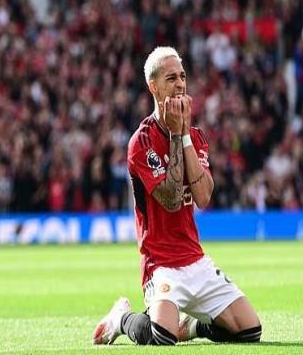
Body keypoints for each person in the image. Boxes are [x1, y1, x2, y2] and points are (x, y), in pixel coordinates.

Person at [92, 47, 262, 346]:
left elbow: (204, 196)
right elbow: (171, 200)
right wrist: (174, 134)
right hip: (161, 264)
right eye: (171, 78)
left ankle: (191, 327)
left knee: (249, 331)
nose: (181, 84)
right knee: (162, 338)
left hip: (196, 259)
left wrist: (183, 135)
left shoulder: (196, 137)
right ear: (153, 86)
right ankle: (120, 319)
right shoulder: (141, 142)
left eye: (182, 76)